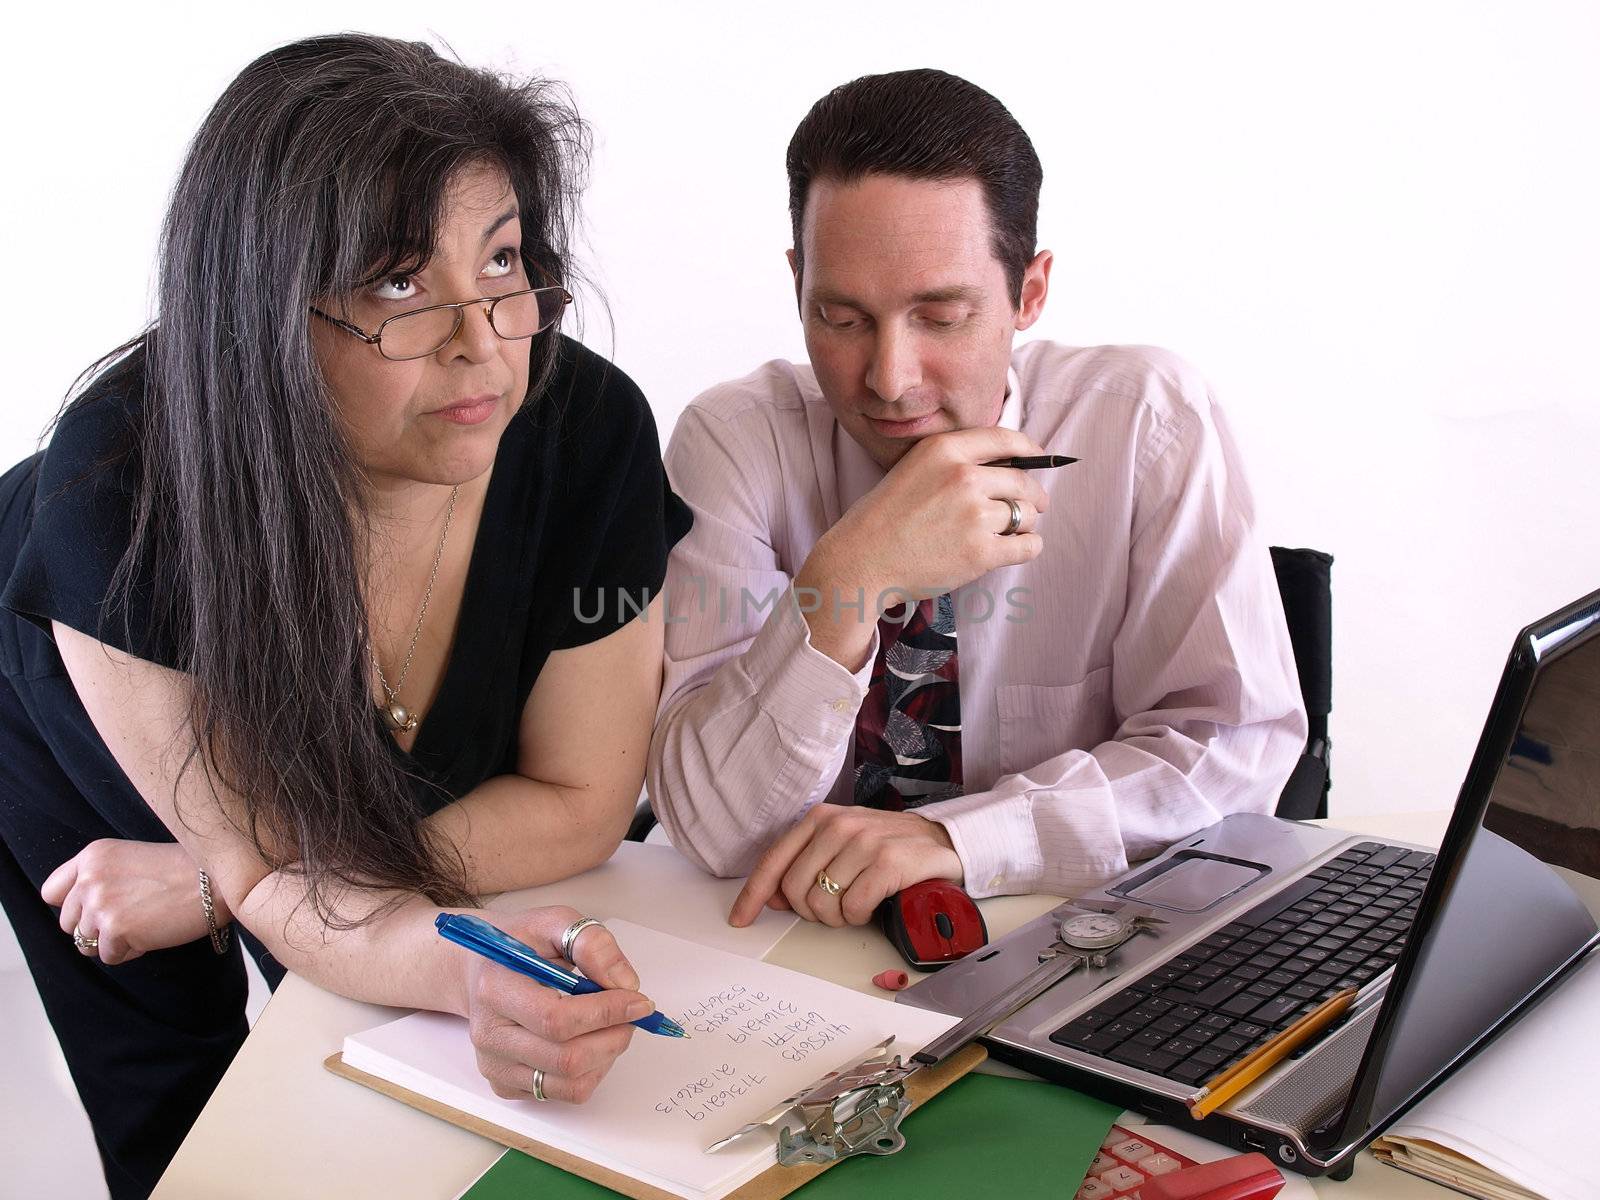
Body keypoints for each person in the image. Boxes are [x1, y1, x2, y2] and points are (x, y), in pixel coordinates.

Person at [0, 34, 690, 1199]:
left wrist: (253, 887)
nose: (483, 345)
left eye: (504, 261)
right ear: (260, 317)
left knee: (386, 1064)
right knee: (191, 1111)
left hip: (292, 817)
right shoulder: (113, 496)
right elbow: (282, 885)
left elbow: (579, 805)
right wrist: (259, 885)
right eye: (399, 281)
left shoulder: (587, 430)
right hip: (75, 695)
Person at [647, 69, 1306, 930]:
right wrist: (853, 573)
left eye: (942, 316)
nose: (889, 379)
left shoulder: (1147, 422)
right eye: (841, 318)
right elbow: (711, 827)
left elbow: (1234, 754)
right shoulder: (734, 439)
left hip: (1070, 938)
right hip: (793, 949)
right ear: (796, 282)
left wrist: (962, 840)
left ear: (1028, 292)